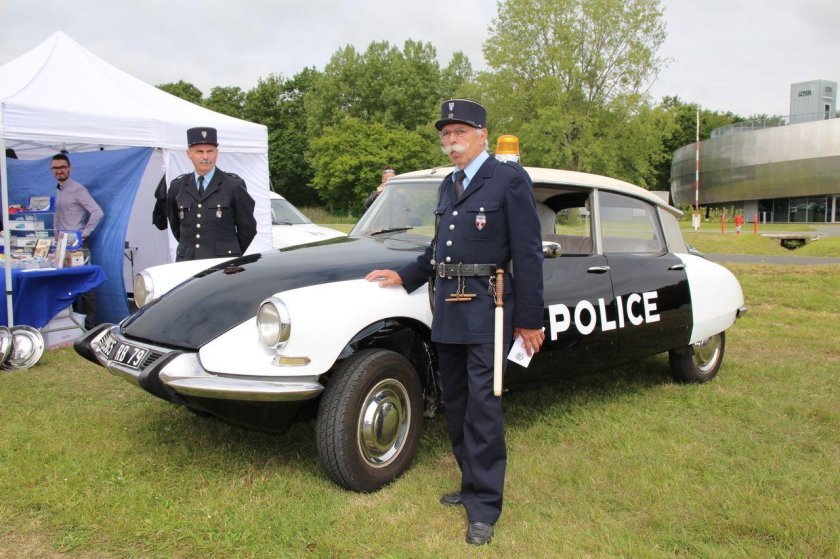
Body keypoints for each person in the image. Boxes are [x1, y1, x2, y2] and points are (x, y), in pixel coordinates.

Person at [365, 99, 545, 546]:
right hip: (447, 307)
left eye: (459, 132)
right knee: (459, 403)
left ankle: (485, 505)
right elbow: (439, 250)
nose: (451, 142)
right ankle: (470, 485)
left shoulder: (508, 179)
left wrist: (529, 321)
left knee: (484, 408)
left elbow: (528, 253)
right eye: (445, 134)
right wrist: (404, 275)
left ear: (482, 134)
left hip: (488, 308)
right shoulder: (449, 185)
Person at [166, 127, 257, 262]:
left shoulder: (233, 185)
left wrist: (230, 254)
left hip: (223, 265)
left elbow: (248, 229)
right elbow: (176, 226)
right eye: (199, 152)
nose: (205, 157)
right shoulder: (177, 186)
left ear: (217, 153)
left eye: (210, 151)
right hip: (187, 264)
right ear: (189, 154)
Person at [52, 153, 104, 329]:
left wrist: (84, 233)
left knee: (86, 287)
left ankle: (89, 326)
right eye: (55, 168)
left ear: (69, 168)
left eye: (62, 167)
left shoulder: (77, 189)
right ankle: (71, 325)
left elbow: (97, 212)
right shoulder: (58, 189)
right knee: (66, 284)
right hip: (61, 245)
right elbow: (57, 217)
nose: (59, 170)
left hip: (77, 247)